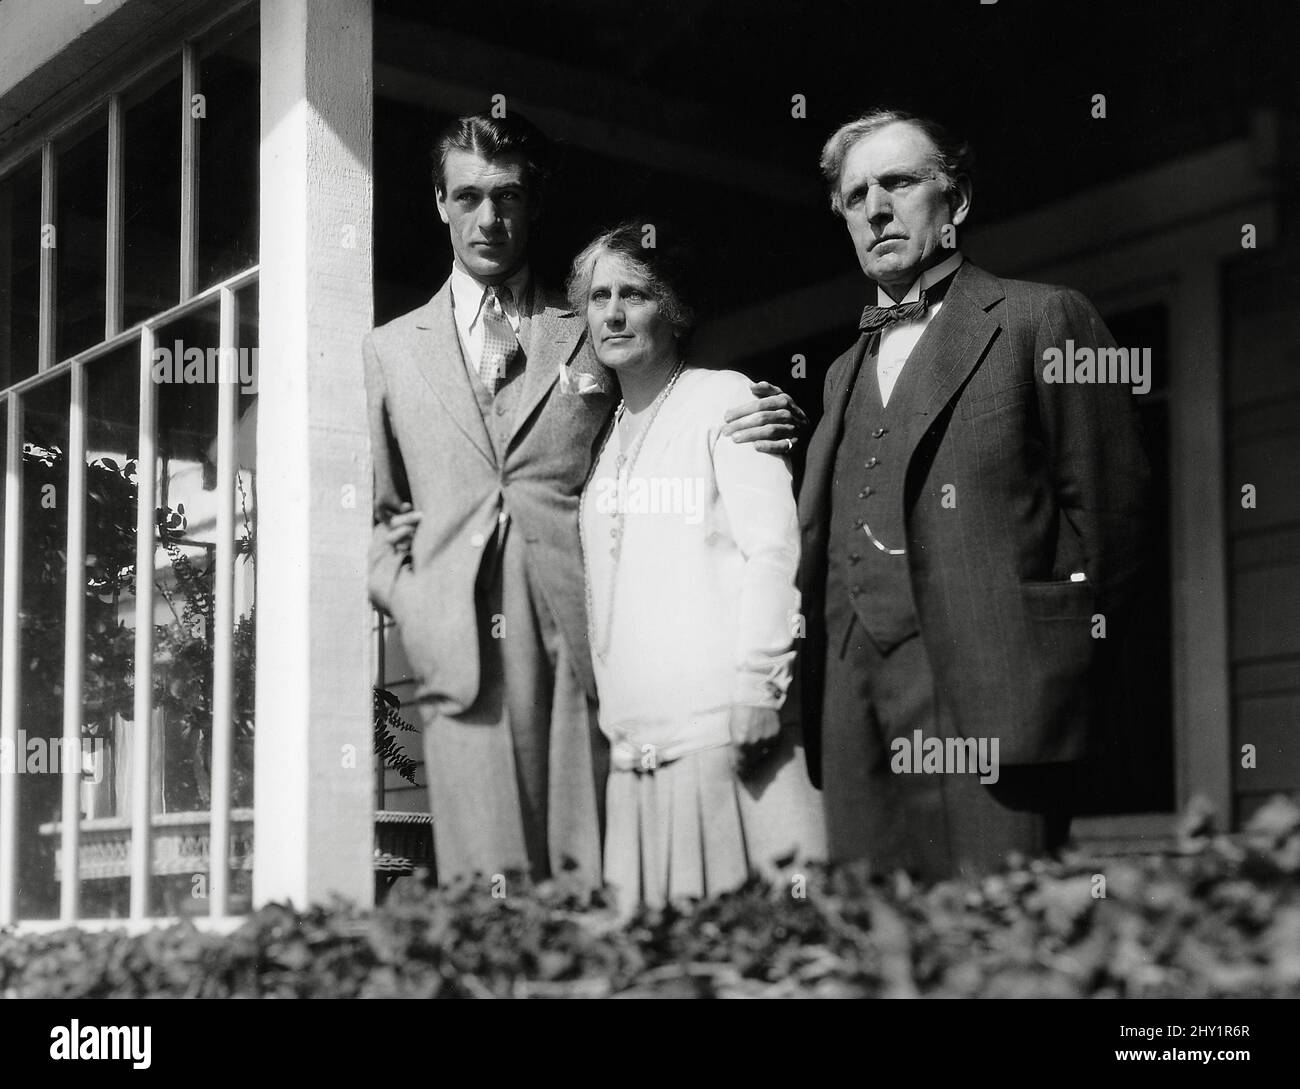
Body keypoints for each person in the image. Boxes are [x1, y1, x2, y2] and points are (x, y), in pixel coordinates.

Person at [364, 114, 804, 888]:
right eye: (467, 196)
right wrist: (418, 604)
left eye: (507, 196)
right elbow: (377, 515)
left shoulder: (590, 325)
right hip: (457, 653)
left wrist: (779, 412)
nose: (488, 218)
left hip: (582, 647)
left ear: (532, 203)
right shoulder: (391, 350)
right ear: (439, 203)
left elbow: (662, 406)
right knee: (483, 890)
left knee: (593, 881)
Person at [796, 108, 1149, 880]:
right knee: (876, 949)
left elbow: (1114, 522)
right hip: (856, 712)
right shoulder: (839, 371)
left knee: (997, 946)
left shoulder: (1044, 317)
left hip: (997, 707)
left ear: (954, 204)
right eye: (856, 197)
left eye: (898, 183)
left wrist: (1050, 674)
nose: (876, 209)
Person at [572, 222, 825, 909]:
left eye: (636, 294)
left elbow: (773, 551)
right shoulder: (601, 438)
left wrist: (757, 686)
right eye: (599, 297)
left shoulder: (726, 399)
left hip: (724, 728)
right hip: (636, 744)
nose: (614, 313)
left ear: (674, 309)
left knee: (754, 949)